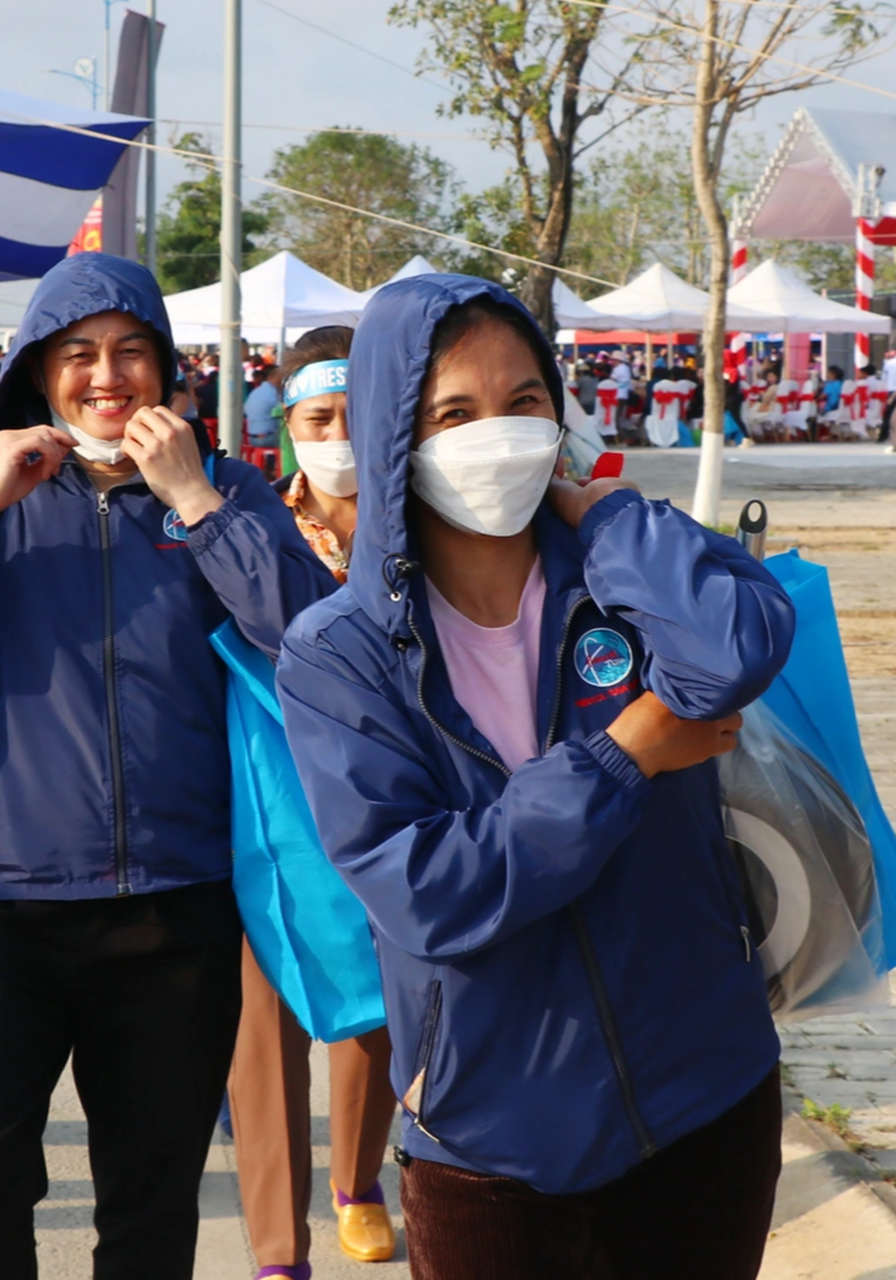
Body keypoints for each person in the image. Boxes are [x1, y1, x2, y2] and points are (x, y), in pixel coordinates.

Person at [0, 252, 335, 1280]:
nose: (108, 375)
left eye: (132, 351)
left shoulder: (223, 487)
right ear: (38, 374)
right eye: (79, 354)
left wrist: (195, 500)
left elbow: (316, 642)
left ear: (167, 370)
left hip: (179, 913)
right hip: (3, 911)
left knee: (150, 1210)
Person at [276, 275, 793, 1280]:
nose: (498, 434)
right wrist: (625, 753)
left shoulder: (622, 574)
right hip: (490, 1134)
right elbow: (428, 888)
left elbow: (737, 646)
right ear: (394, 437)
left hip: (704, 1092)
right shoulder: (340, 651)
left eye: (524, 402)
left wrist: (608, 519)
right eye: (455, 412)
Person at [226, 327, 398, 1278]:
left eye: (354, 417)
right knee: (263, 1028)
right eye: (318, 418)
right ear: (286, 428)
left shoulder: (422, 529)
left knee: (374, 1004)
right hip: (268, 811)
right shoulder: (253, 524)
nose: (338, 436)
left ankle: (359, 1182)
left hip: (384, 811)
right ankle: (278, 1246)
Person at [244, 362, 283, 447]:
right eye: (280, 376)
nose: (283, 379)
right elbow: (284, 411)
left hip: (252, 438)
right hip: (268, 438)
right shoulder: (273, 393)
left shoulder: (255, 392)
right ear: (271, 377)